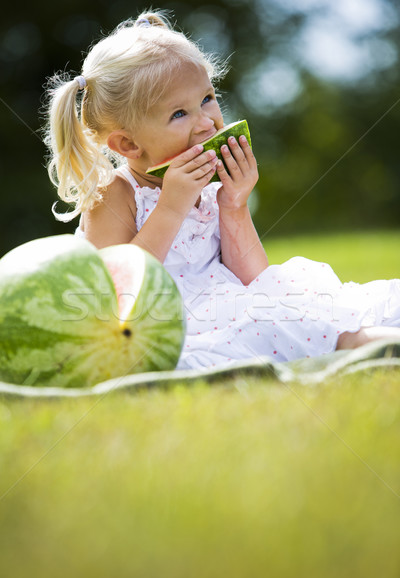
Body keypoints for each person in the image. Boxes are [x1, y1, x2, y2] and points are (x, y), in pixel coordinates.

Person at [43, 10, 400, 370]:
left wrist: (234, 204)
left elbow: (255, 279)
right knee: (281, 320)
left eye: (207, 98)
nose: (207, 121)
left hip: (232, 304)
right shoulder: (116, 193)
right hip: (178, 324)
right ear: (129, 145)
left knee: (331, 303)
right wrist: (170, 207)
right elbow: (115, 295)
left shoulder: (206, 188)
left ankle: (360, 335)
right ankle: (361, 344)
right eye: (179, 114)